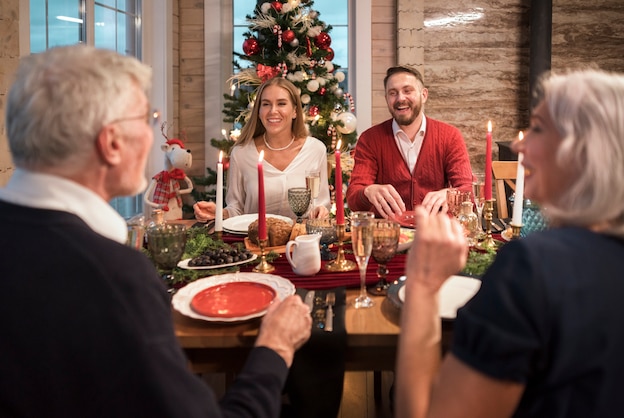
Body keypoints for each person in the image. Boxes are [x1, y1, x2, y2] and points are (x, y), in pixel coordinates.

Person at [0, 44, 311, 417]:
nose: (153, 138)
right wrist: (275, 347)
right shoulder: (116, 276)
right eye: (145, 120)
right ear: (112, 143)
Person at [395, 69, 624, 417]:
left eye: (537, 128)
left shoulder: (533, 267)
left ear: (580, 149)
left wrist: (424, 284)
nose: (518, 145)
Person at [194, 77, 331, 222]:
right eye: (266, 104)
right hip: (255, 242)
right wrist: (220, 213)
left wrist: (321, 211)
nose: (273, 111)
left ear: (295, 111)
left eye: (281, 104)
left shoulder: (315, 149)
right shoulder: (241, 153)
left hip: (300, 240)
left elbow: (322, 203)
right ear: (258, 111)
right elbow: (236, 209)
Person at [346, 65, 472, 216]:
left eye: (407, 91)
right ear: (387, 99)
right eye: (393, 93)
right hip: (388, 234)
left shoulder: (450, 136)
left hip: (434, 231)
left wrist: (451, 195)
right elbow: (353, 198)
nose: (400, 98)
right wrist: (368, 191)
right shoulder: (370, 139)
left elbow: (469, 188)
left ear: (424, 95)